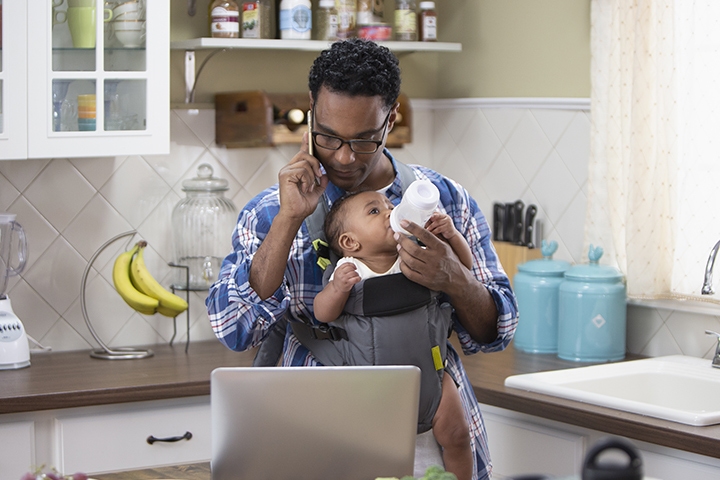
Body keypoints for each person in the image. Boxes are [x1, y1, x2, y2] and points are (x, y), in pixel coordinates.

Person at [206, 38, 518, 480]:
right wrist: (289, 219)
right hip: (315, 437)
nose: (344, 157)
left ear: (391, 119)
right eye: (328, 137)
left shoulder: (444, 200)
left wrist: (455, 279)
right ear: (312, 112)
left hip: (434, 436)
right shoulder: (272, 211)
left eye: (365, 140)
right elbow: (232, 328)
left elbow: (496, 332)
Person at [314, 190, 474, 480]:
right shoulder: (350, 270)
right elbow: (323, 314)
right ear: (350, 242)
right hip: (374, 385)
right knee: (373, 454)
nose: (391, 212)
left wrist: (451, 237)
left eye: (391, 205)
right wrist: (337, 289)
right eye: (375, 211)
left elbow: (464, 269)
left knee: (458, 434)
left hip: (432, 372)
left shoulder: (416, 256)